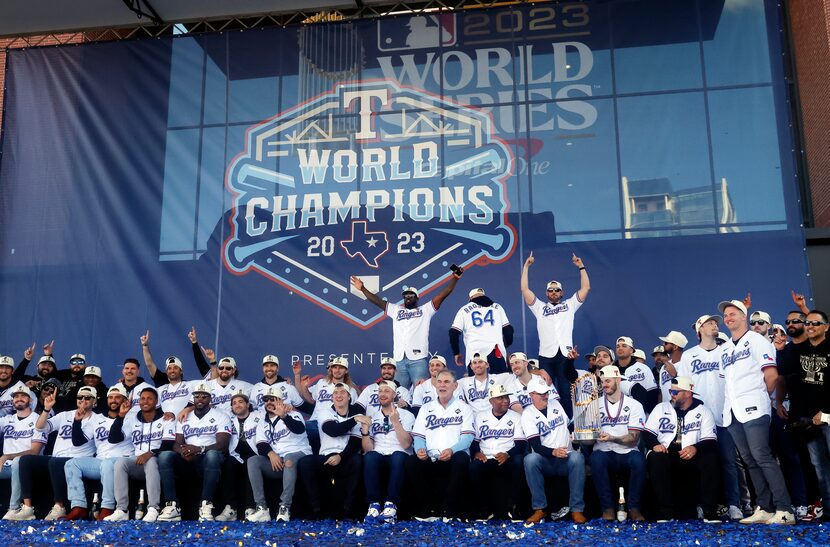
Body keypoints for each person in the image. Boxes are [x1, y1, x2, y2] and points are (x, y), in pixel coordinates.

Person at [718, 299, 794, 525]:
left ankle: (785, 509)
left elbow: (771, 375)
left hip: (754, 406)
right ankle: (765, 507)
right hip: (732, 410)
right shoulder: (725, 348)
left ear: (744, 316)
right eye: (726, 315)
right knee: (750, 460)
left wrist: (761, 397)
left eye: (733, 313)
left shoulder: (757, 340)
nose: (728, 318)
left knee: (762, 456)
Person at [675, 314, 742, 520]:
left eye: (715, 322)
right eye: (709, 322)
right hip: (698, 419)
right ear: (699, 330)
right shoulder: (689, 355)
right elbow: (684, 386)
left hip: (725, 415)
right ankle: (702, 504)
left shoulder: (727, 350)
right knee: (700, 463)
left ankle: (734, 503)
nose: (715, 324)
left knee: (730, 462)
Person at [351, 269, 462, 388]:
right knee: (399, 394)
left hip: (418, 360)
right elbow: (377, 301)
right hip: (399, 360)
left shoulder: (425, 310)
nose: (408, 297)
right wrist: (362, 288)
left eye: (411, 295)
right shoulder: (396, 310)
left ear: (417, 298)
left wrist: (455, 278)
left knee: (421, 391)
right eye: (405, 296)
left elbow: (443, 294)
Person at [520, 252, 589, 417]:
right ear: (546, 293)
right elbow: (524, 289)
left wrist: (581, 266)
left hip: (565, 355)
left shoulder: (570, 304)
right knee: (545, 391)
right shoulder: (539, 307)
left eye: (556, 290)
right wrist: (526, 266)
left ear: (562, 292)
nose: (553, 292)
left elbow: (586, 288)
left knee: (566, 392)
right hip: (546, 356)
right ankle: (549, 422)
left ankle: (568, 425)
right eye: (550, 290)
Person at [777, 309, 830, 522]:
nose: (810, 326)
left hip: (827, 416)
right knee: (819, 466)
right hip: (810, 419)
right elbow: (785, 373)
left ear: (826, 327)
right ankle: (827, 510)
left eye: (816, 324)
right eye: (807, 323)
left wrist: (826, 412)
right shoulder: (799, 350)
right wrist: (780, 350)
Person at [14, 385, 98, 520]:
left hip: (78, 460)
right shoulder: (65, 415)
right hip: (57, 458)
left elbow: (78, 441)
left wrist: (77, 421)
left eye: (87, 397)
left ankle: (60, 506)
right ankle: (27, 508)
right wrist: (47, 409)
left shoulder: (97, 419)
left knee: (55, 462)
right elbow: (40, 427)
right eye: (80, 397)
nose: (83, 400)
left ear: (95, 401)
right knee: (26, 460)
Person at [643, 377, 720, 522]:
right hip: (666, 452)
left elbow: (710, 440)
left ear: (688, 393)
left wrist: (695, 448)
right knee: (656, 457)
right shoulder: (661, 408)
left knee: (711, 458)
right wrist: (655, 445)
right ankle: (665, 511)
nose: (671, 394)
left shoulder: (703, 411)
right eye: (671, 391)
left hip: (690, 453)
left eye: (675, 391)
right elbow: (647, 433)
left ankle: (709, 511)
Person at [158, 382, 232, 522]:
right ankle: (171, 505)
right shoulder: (185, 416)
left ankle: (206, 505)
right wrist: (182, 452)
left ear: (210, 398)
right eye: (197, 396)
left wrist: (199, 449)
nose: (200, 399)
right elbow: (177, 443)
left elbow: (222, 445)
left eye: (204, 396)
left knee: (212, 455)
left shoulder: (221, 416)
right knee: (164, 456)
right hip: (188, 459)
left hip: (207, 459)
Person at [407, 370, 474, 521]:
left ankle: (449, 510)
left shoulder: (464, 408)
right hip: (431, 457)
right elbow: (418, 436)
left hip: (454, 456)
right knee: (411, 461)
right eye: (439, 382)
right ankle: (429, 509)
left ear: (455, 386)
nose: (442, 385)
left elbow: (468, 438)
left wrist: (452, 450)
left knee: (461, 458)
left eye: (446, 382)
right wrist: (419, 450)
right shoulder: (426, 408)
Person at [61, 385, 135, 520]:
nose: (113, 400)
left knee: (107, 464)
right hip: (101, 461)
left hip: (122, 460)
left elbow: (115, 438)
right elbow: (78, 441)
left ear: (125, 400)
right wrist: (77, 422)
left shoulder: (132, 418)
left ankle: (107, 507)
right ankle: (79, 506)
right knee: (71, 464)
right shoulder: (97, 419)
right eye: (110, 397)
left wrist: (121, 416)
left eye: (118, 397)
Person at [522, 377, 587, 525]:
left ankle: (577, 509)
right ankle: (539, 508)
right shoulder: (528, 414)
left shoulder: (555, 403)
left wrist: (577, 435)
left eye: (546, 392)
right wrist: (553, 452)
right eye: (540, 393)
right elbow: (535, 445)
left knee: (577, 457)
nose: (545, 396)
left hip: (566, 457)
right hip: (546, 461)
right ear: (531, 395)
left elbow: (569, 426)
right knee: (530, 459)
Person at [105, 386, 174, 522]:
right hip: (138, 462)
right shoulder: (133, 419)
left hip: (159, 462)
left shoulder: (166, 418)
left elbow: (168, 444)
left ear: (156, 402)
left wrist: (150, 453)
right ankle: (122, 510)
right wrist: (121, 416)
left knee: (151, 461)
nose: (145, 401)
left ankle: (153, 508)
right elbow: (113, 439)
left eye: (149, 398)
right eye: (142, 398)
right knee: (120, 463)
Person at [589, 365, 647, 522]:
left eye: (608, 380)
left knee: (639, 460)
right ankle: (607, 508)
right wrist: (579, 437)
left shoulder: (634, 405)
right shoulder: (594, 404)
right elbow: (588, 439)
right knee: (596, 459)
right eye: (602, 382)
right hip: (603, 451)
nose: (604, 384)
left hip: (627, 451)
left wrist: (612, 437)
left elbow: (634, 438)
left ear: (618, 380)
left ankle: (634, 507)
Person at [246, 386, 311, 523]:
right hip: (278, 460)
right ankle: (262, 508)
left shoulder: (293, 414)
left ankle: (284, 507)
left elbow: (299, 429)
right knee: (253, 461)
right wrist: (271, 454)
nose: (269, 402)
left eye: (273, 399)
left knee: (289, 458)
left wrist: (284, 416)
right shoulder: (262, 422)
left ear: (281, 401)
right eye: (266, 400)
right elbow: (261, 444)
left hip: (298, 454)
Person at [299, 382, 363, 519]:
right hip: (326, 457)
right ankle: (315, 509)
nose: (338, 396)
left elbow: (356, 442)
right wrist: (355, 420)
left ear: (349, 397)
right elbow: (332, 430)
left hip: (345, 457)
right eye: (335, 393)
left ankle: (348, 509)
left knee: (358, 460)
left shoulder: (356, 415)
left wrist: (341, 456)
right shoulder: (325, 412)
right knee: (306, 462)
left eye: (342, 393)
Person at [359, 380, 415, 524]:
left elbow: (407, 444)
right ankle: (374, 505)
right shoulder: (373, 417)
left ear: (394, 395)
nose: (382, 394)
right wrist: (365, 432)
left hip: (399, 453)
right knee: (370, 457)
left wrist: (396, 422)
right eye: (380, 391)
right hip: (378, 453)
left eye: (386, 391)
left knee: (397, 456)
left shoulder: (406, 415)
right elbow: (367, 449)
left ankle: (391, 506)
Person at [468, 384, 526, 521]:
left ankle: (514, 508)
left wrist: (508, 454)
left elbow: (521, 443)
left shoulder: (516, 417)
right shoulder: (480, 417)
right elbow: (474, 441)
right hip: (486, 457)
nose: (505, 400)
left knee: (519, 461)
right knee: (474, 467)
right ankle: (484, 510)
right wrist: (476, 453)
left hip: (508, 457)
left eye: (506, 397)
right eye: (500, 398)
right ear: (491, 401)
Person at [293, 356, 358, 454]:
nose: (337, 370)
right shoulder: (322, 383)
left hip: (335, 424)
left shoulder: (351, 390)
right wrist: (304, 386)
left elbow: (354, 411)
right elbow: (310, 399)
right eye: (335, 367)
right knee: (298, 429)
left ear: (346, 370)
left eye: (341, 367)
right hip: (315, 422)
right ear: (331, 369)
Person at [0, 385, 46, 521]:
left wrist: (7, 456)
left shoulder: (38, 420)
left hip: (30, 465)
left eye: (23, 396)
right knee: (14, 463)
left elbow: (35, 451)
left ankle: (14, 508)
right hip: (5, 465)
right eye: (15, 396)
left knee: (17, 462)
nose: (18, 398)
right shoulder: (7, 419)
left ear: (30, 400)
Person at [215, 389, 261, 522]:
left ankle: (250, 508)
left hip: (255, 454)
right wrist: (186, 410)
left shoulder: (258, 415)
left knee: (251, 464)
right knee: (228, 464)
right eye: (234, 403)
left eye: (241, 402)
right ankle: (231, 509)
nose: (237, 405)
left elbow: (274, 410)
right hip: (236, 455)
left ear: (248, 404)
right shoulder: (228, 419)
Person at [450, 288, 513, 375]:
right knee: (499, 384)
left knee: (477, 384)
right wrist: (505, 345)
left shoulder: (464, 310)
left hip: (475, 354)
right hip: (495, 352)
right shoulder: (498, 307)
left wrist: (456, 352)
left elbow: (453, 332)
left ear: (470, 298)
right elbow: (509, 330)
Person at [139, 331, 194, 417]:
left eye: (175, 368)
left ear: (181, 371)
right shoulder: (161, 387)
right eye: (169, 368)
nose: (172, 370)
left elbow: (210, 383)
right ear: (166, 371)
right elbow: (149, 364)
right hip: (164, 425)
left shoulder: (191, 385)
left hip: (184, 424)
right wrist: (145, 346)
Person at [614, 336, 659, 415]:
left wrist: (647, 413)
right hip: (616, 415)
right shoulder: (610, 369)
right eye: (618, 346)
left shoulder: (643, 368)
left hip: (639, 414)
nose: (620, 348)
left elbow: (652, 394)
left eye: (624, 346)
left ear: (631, 350)